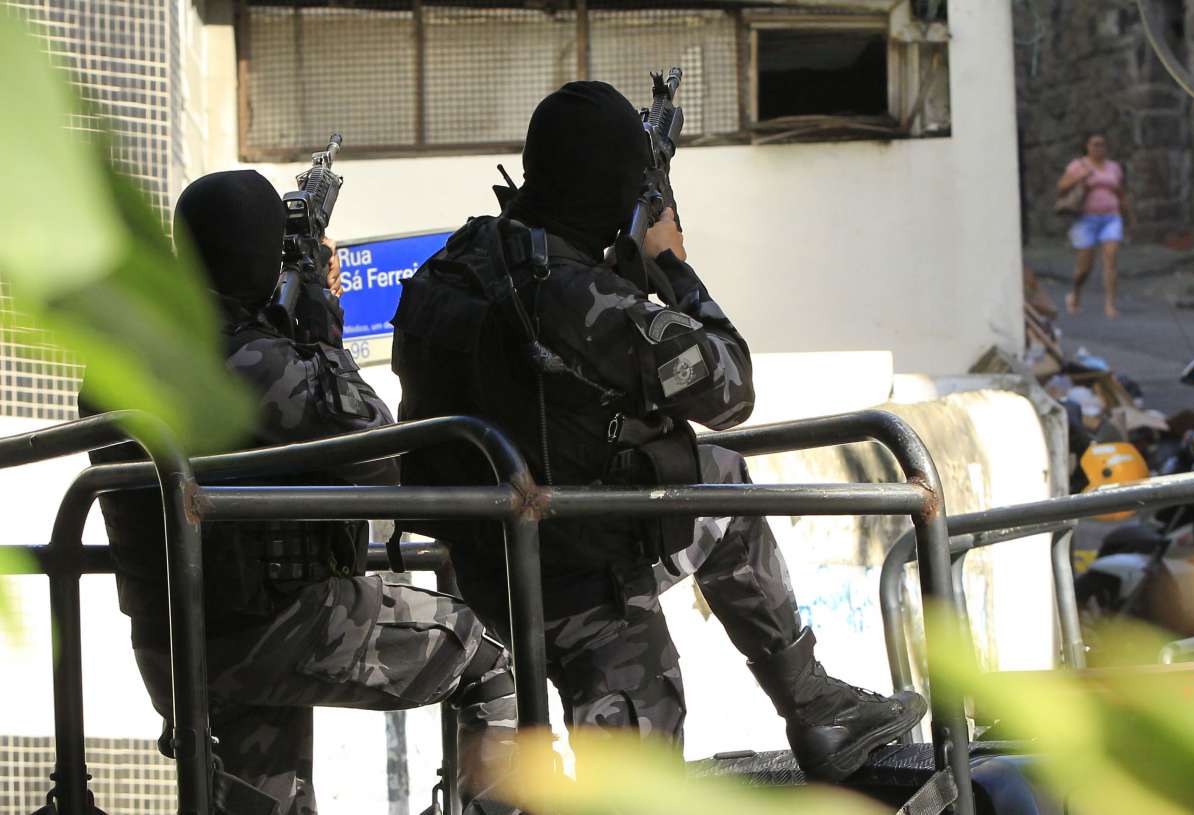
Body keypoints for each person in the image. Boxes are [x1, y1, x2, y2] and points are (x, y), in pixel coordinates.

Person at [391, 81, 925, 782]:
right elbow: (731, 388)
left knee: (720, 479)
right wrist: (670, 263)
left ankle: (815, 700)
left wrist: (616, 257)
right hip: (579, 579)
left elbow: (551, 351)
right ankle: (814, 706)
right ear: (612, 188)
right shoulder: (581, 300)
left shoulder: (457, 265)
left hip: (487, 567)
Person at [79, 170, 516, 815]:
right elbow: (377, 452)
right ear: (259, 254)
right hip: (274, 626)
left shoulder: (133, 351)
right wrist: (319, 327)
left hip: (174, 638)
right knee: (485, 663)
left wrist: (282, 320)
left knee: (267, 800)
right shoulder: (256, 360)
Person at [1057, 132, 1133, 318]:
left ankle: (1110, 304)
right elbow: (1062, 186)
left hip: (1111, 217)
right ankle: (1075, 293)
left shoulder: (1113, 167)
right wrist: (1080, 176)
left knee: (1111, 260)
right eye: (1094, 144)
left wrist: (1128, 215)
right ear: (1087, 146)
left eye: (1102, 144)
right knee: (1084, 267)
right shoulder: (1078, 165)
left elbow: (1121, 193)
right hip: (1086, 219)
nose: (1098, 148)